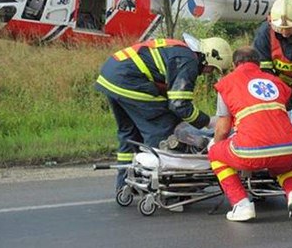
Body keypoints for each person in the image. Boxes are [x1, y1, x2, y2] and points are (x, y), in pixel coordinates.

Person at [95, 37, 232, 190]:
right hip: (129, 82)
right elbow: (179, 105)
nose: (208, 73)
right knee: (163, 130)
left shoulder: (179, 50)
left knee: (130, 134)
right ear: (207, 57)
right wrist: (207, 122)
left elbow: (172, 96)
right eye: (211, 68)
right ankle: (165, 188)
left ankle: (125, 185)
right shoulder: (188, 61)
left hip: (112, 77)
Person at [207, 46, 292, 223]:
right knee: (285, 164)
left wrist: (216, 145)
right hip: (288, 146)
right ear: (259, 64)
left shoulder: (227, 83)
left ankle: (241, 203)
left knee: (215, 153)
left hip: (251, 150)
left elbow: (223, 129)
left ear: (234, 64)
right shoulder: (275, 82)